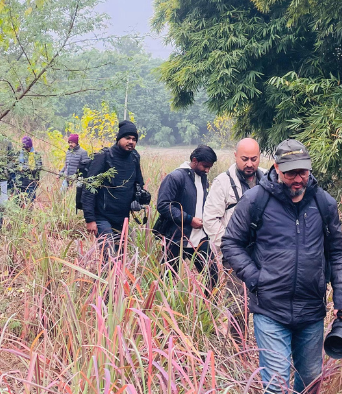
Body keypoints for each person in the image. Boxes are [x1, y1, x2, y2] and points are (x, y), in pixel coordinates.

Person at [220, 139, 342, 394]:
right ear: (277, 168)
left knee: (309, 379)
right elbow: (231, 244)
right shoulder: (256, 201)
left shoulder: (323, 203)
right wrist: (256, 278)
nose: (298, 179)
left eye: (303, 172)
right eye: (292, 172)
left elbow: (337, 252)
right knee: (278, 383)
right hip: (270, 311)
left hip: (311, 311)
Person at [153, 144, 218, 288]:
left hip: (200, 237)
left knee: (213, 276)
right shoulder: (175, 177)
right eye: (205, 166)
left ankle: (208, 308)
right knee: (168, 279)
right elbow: (163, 205)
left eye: (209, 167)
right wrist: (189, 219)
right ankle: (166, 308)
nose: (207, 170)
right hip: (176, 237)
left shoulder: (202, 178)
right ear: (194, 160)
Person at [81, 121, 145, 256]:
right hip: (102, 216)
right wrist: (90, 219)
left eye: (134, 139)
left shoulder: (134, 158)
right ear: (119, 138)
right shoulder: (103, 157)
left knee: (120, 256)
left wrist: (138, 199)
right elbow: (89, 188)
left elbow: (138, 183)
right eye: (127, 138)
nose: (131, 142)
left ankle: (112, 278)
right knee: (108, 254)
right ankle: (104, 277)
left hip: (122, 217)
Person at [204, 138, 267, 257]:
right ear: (235, 156)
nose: (249, 164)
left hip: (265, 254)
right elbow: (210, 219)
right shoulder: (222, 182)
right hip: (234, 257)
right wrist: (231, 246)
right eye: (244, 159)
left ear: (259, 156)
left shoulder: (269, 179)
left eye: (254, 159)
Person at [12, 135, 42, 207]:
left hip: (31, 183)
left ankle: (28, 217)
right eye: (25, 148)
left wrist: (27, 168)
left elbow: (39, 166)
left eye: (28, 148)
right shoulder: (18, 154)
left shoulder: (36, 155)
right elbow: (13, 166)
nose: (26, 149)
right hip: (19, 182)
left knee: (30, 203)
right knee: (17, 202)